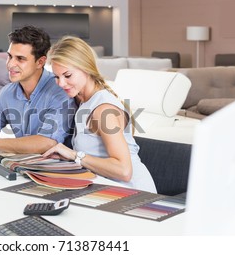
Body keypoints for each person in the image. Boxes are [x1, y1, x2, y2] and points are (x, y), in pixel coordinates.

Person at [42, 36, 156, 193]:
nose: (61, 83)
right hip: (109, 191)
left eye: (67, 75)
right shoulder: (83, 101)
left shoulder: (103, 110)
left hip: (136, 195)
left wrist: (75, 156)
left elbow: (124, 171)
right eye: (56, 76)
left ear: (86, 69)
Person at [0, 26, 76, 154]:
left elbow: (46, 143)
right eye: (10, 56)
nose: (10, 64)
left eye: (20, 59)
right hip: (23, 164)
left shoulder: (60, 91)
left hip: (58, 168)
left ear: (40, 62)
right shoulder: (8, 92)